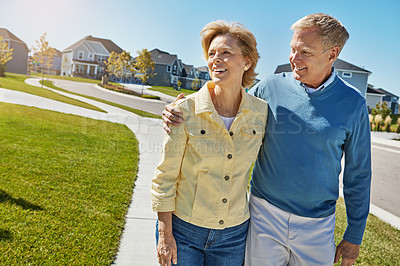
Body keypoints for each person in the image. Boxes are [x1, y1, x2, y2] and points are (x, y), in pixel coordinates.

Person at [162, 13, 372, 266]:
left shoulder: (354, 104)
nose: (294, 58)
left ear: (332, 54)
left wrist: (354, 234)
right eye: (293, 49)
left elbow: (358, 174)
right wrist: (176, 111)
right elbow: (227, 102)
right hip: (264, 215)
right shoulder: (268, 89)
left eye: (305, 51)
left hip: (317, 225)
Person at [151, 20, 268, 266]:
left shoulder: (262, 113)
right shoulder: (185, 110)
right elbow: (165, 176)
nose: (216, 59)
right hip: (183, 232)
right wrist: (165, 234)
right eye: (212, 53)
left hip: (234, 235)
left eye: (226, 52)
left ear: (247, 62)